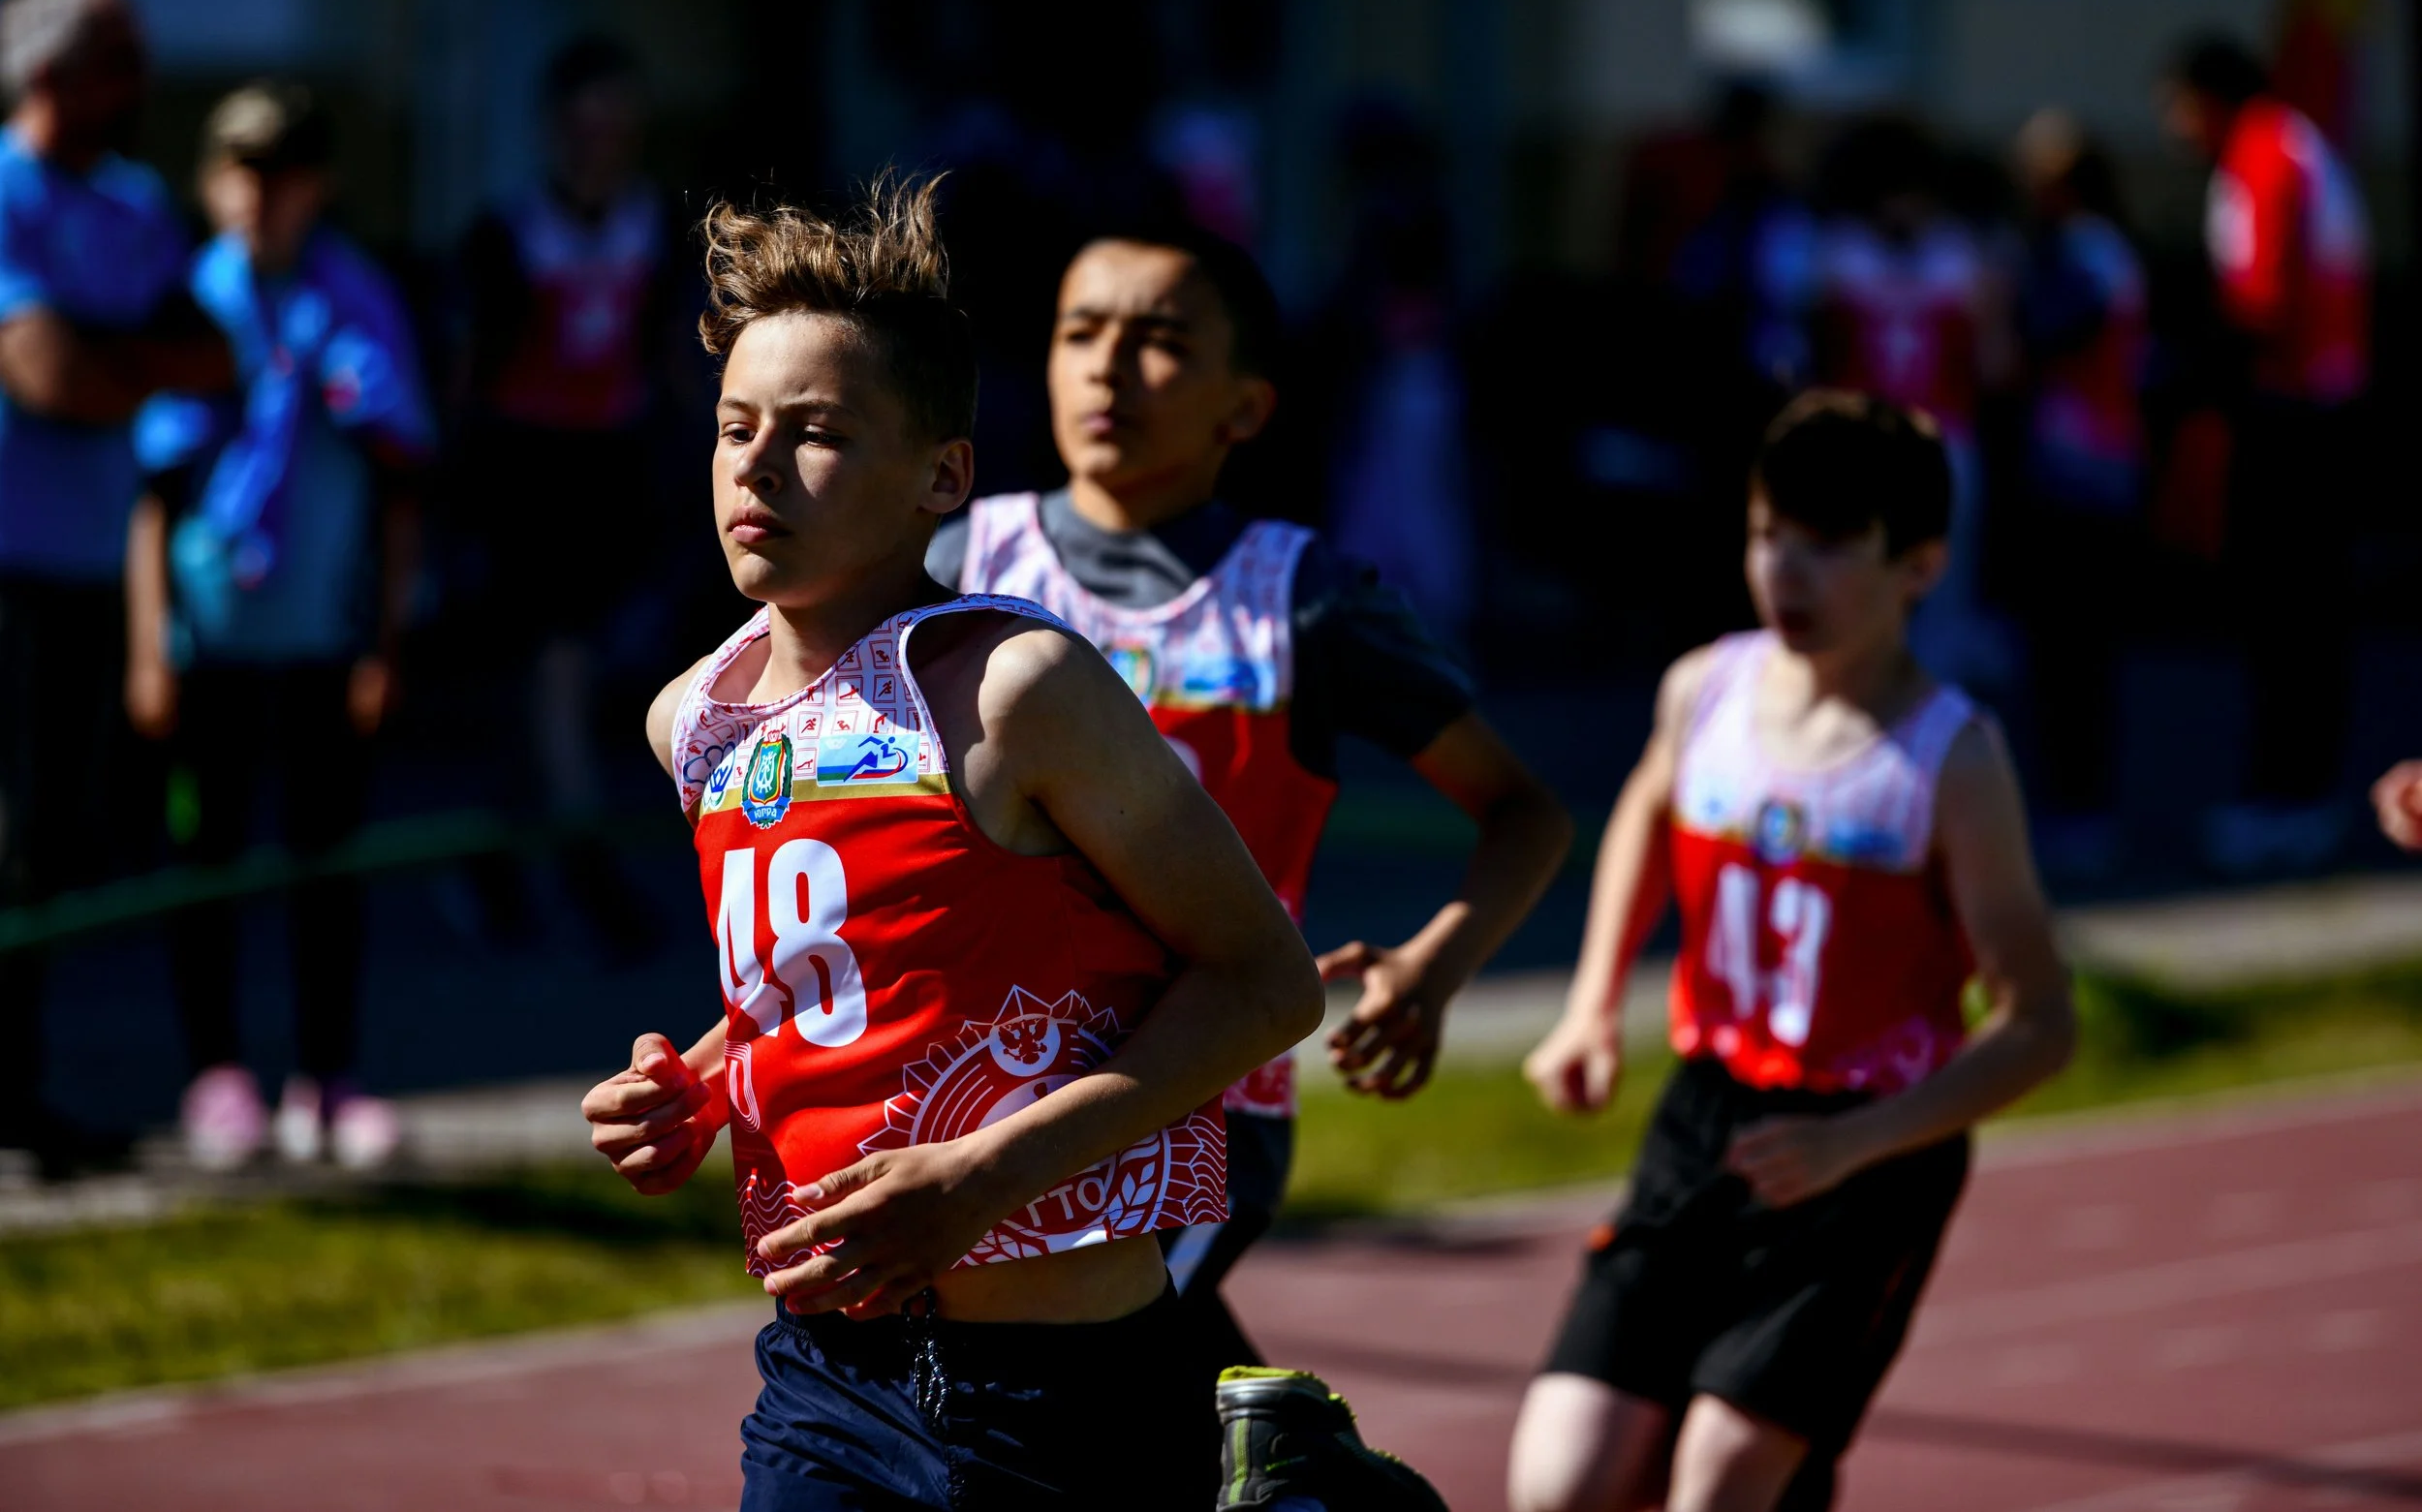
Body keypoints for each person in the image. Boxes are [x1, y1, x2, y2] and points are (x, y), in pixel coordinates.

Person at [576, 180, 1334, 1509]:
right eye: (735, 427)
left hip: (1074, 1384)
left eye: (815, 434)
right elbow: (832, 974)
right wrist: (698, 1084)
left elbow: (1268, 981)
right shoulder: (690, 718)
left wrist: (982, 1176)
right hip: (828, 1375)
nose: (755, 466)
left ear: (943, 473)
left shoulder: (1017, 686)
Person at [930, 225, 1571, 1379]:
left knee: (1059, 1383)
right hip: (980, 1084)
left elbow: (1525, 812)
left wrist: (1431, 970)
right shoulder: (956, 568)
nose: (1108, 368)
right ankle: (1303, 1478)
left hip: (1199, 1106)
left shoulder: (1304, 602)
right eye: (1081, 332)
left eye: (1161, 341)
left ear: (1244, 408)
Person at [1507, 392, 2076, 1512]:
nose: (1787, 572)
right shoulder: (1704, 688)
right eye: (1770, 535)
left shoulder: (1947, 759)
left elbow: (2041, 1024)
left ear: (1918, 565)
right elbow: (1646, 809)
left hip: (1866, 1151)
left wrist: (1856, 1142)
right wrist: (1588, 1004)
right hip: (1706, 1122)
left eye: (1828, 546)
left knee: (1720, 1478)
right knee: (1557, 1478)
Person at [127, 81, 433, 1171]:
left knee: (324, 859)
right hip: (208, 636)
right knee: (204, 856)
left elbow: (402, 484)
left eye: (285, 173)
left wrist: (383, 642)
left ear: (321, 188)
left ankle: (325, 1074)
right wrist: (146, 642)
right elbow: (151, 494)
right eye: (242, 173)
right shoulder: (185, 302)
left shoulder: (357, 302)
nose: (262, 197)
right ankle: (216, 1070)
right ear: (211, 184)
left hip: (321, 632)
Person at [0, 0, 231, 1180]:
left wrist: (106, 358)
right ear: (52, 77)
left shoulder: (137, 203)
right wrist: (117, 362)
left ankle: (20, 1090)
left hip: (89, 568)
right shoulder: (6, 192)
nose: (143, 85)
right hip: (8, 569)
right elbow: (46, 379)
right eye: (119, 62)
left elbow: (210, 353)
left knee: (54, 842)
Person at [453, 35, 692, 957]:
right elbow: (468, 381)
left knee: (556, 690)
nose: (601, 147)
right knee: (554, 673)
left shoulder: (652, 229)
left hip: (612, 477)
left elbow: (673, 360)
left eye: (618, 130)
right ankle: (591, 873)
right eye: (585, 128)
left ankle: (494, 864)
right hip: (526, 482)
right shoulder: (506, 232)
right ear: (554, 131)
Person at [2159, 34, 2372, 876]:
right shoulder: (2293, 142)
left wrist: (2186, 382)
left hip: (2294, 421)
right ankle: (2300, 791)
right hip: (2322, 412)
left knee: (2288, 613)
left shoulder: (2261, 155)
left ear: (2209, 97)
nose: (2177, 130)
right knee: (2307, 615)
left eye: (2177, 108)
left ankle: (2289, 797)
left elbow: (2260, 302)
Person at [1811, 117, 2010, 694]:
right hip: (1863, 441)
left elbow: (1995, 363)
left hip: (1942, 438)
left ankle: (1930, 714)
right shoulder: (1832, 256)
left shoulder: (1961, 258)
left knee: (1942, 584)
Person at [2008, 108, 2149, 879]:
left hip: (2085, 476)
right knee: (2065, 650)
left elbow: (2049, 332)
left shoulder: (2088, 253)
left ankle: (2080, 804)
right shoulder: (2091, 249)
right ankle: (2071, 797)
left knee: (2076, 650)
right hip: (2077, 470)